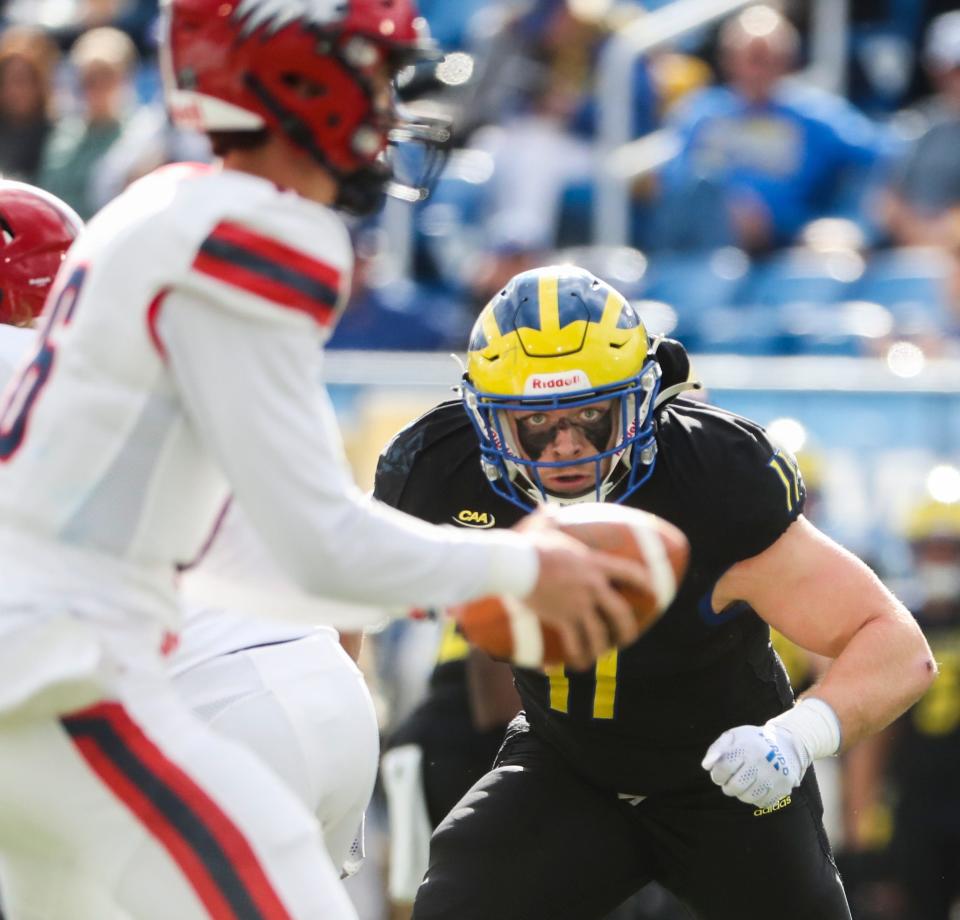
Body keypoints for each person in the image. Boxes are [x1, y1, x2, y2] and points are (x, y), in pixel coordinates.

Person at [0, 3, 655, 918]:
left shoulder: (158, 207)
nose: (389, 107)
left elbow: (229, 554)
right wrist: (522, 563)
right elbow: (317, 543)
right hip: (66, 684)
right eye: (371, 74)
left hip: (41, 682)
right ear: (299, 81)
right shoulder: (260, 231)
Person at [372, 264, 937, 920]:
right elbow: (339, 598)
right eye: (535, 424)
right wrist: (337, 753)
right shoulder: (440, 472)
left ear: (641, 399)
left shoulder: (709, 481)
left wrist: (794, 738)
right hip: (567, 763)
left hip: (727, 775)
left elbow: (898, 647)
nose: (566, 448)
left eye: (591, 416)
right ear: (489, 420)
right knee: (457, 901)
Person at [655, 4, 889, 252]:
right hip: (705, 243)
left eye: (771, 58)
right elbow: (674, 180)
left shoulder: (816, 115)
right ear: (728, 60)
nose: (759, 69)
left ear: (788, 61)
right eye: (751, 58)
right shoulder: (702, 113)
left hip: (787, 244)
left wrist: (851, 222)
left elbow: (885, 156)